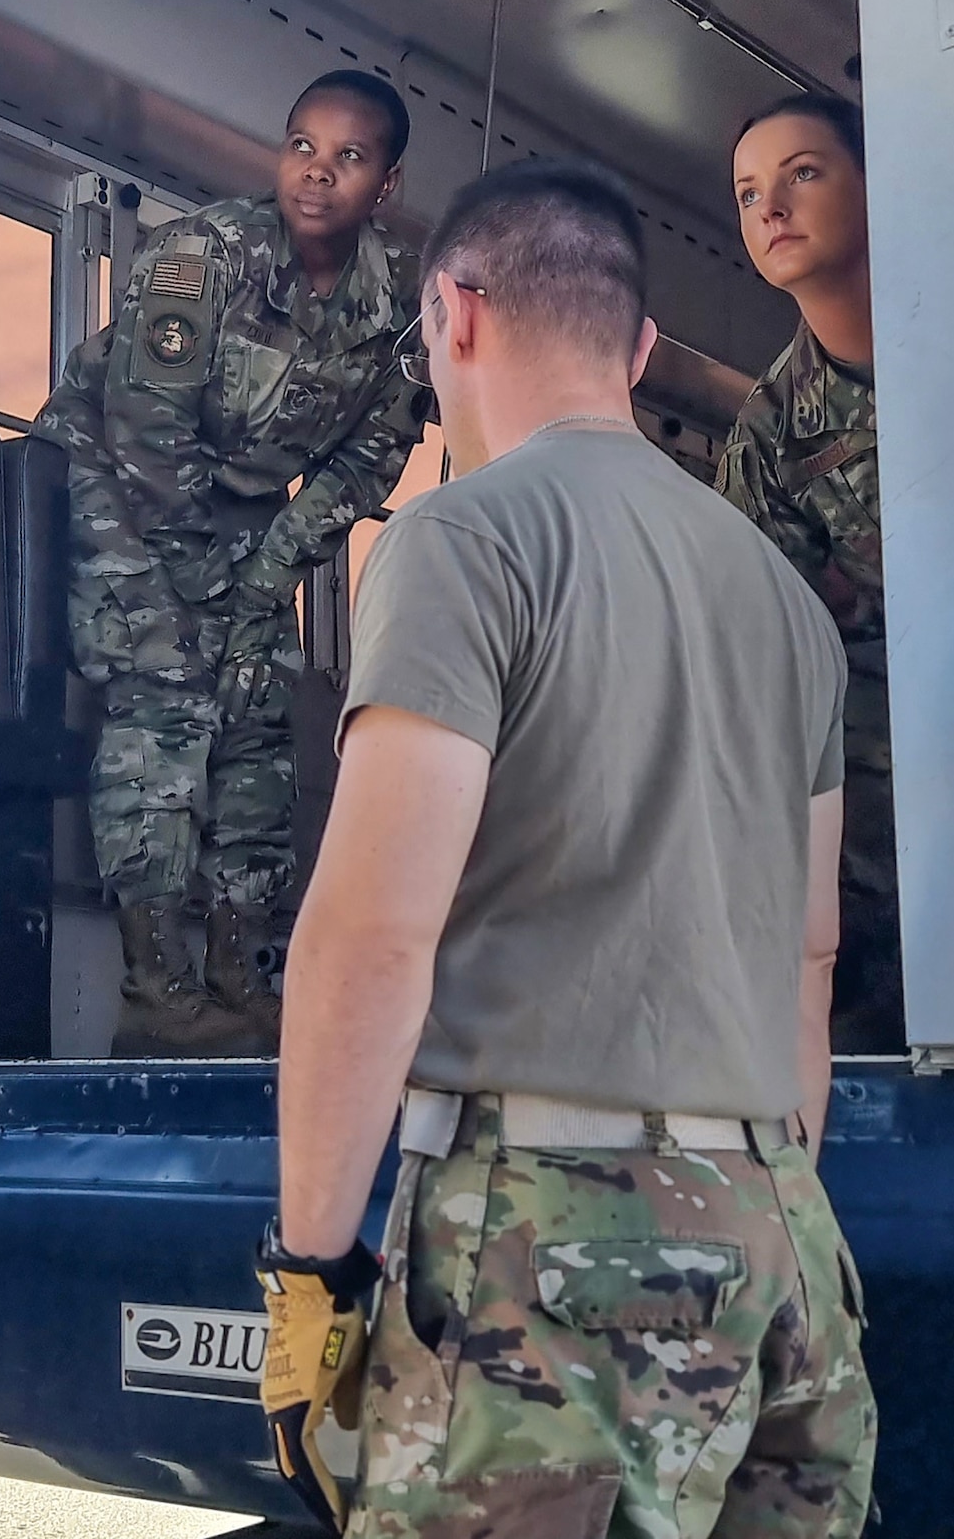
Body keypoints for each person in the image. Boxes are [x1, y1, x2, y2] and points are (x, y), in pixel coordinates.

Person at [257, 161, 875, 1537]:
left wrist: (308, 1269)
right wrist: (759, 1223)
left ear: (453, 318)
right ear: (641, 347)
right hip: (778, 1229)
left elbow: (372, 932)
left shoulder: (459, 540)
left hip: (542, 1246)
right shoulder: (780, 600)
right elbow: (809, 957)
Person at [34, 70, 429, 1057]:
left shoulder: (397, 305)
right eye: (301, 146)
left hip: (247, 512)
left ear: (384, 184)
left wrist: (270, 574)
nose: (316, 173)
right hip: (116, 482)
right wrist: (210, 589)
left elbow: (370, 457)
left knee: (256, 726)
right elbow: (143, 428)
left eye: (348, 157)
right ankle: (160, 999)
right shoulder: (201, 256)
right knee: (168, 705)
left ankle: (241, 988)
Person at [717, 93, 899, 1054]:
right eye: (748, 194)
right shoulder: (771, 432)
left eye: (803, 173)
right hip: (884, 786)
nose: (771, 208)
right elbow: (764, 649)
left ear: (876, 184)